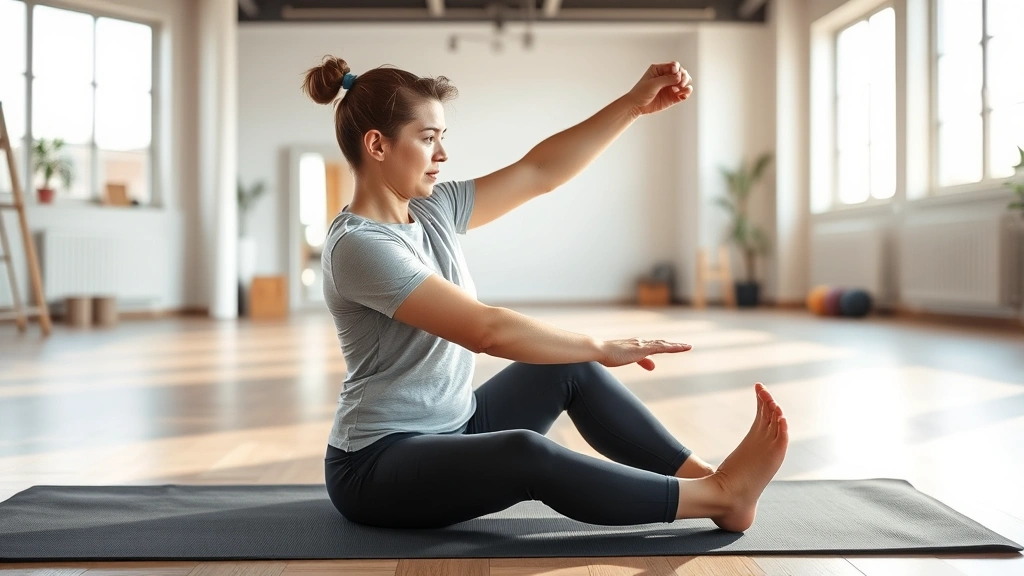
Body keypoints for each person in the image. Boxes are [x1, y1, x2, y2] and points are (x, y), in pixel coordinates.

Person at [302, 55, 788, 532]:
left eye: (442, 139)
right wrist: (602, 347)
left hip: (457, 424)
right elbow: (485, 330)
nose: (443, 155)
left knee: (568, 368)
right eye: (428, 139)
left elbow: (539, 171)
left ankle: (715, 483)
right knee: (525, 452)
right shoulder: (358, 246)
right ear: (377, 145)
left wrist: (633, 106)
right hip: (375, 462)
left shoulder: (434, 210)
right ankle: (719, 497)